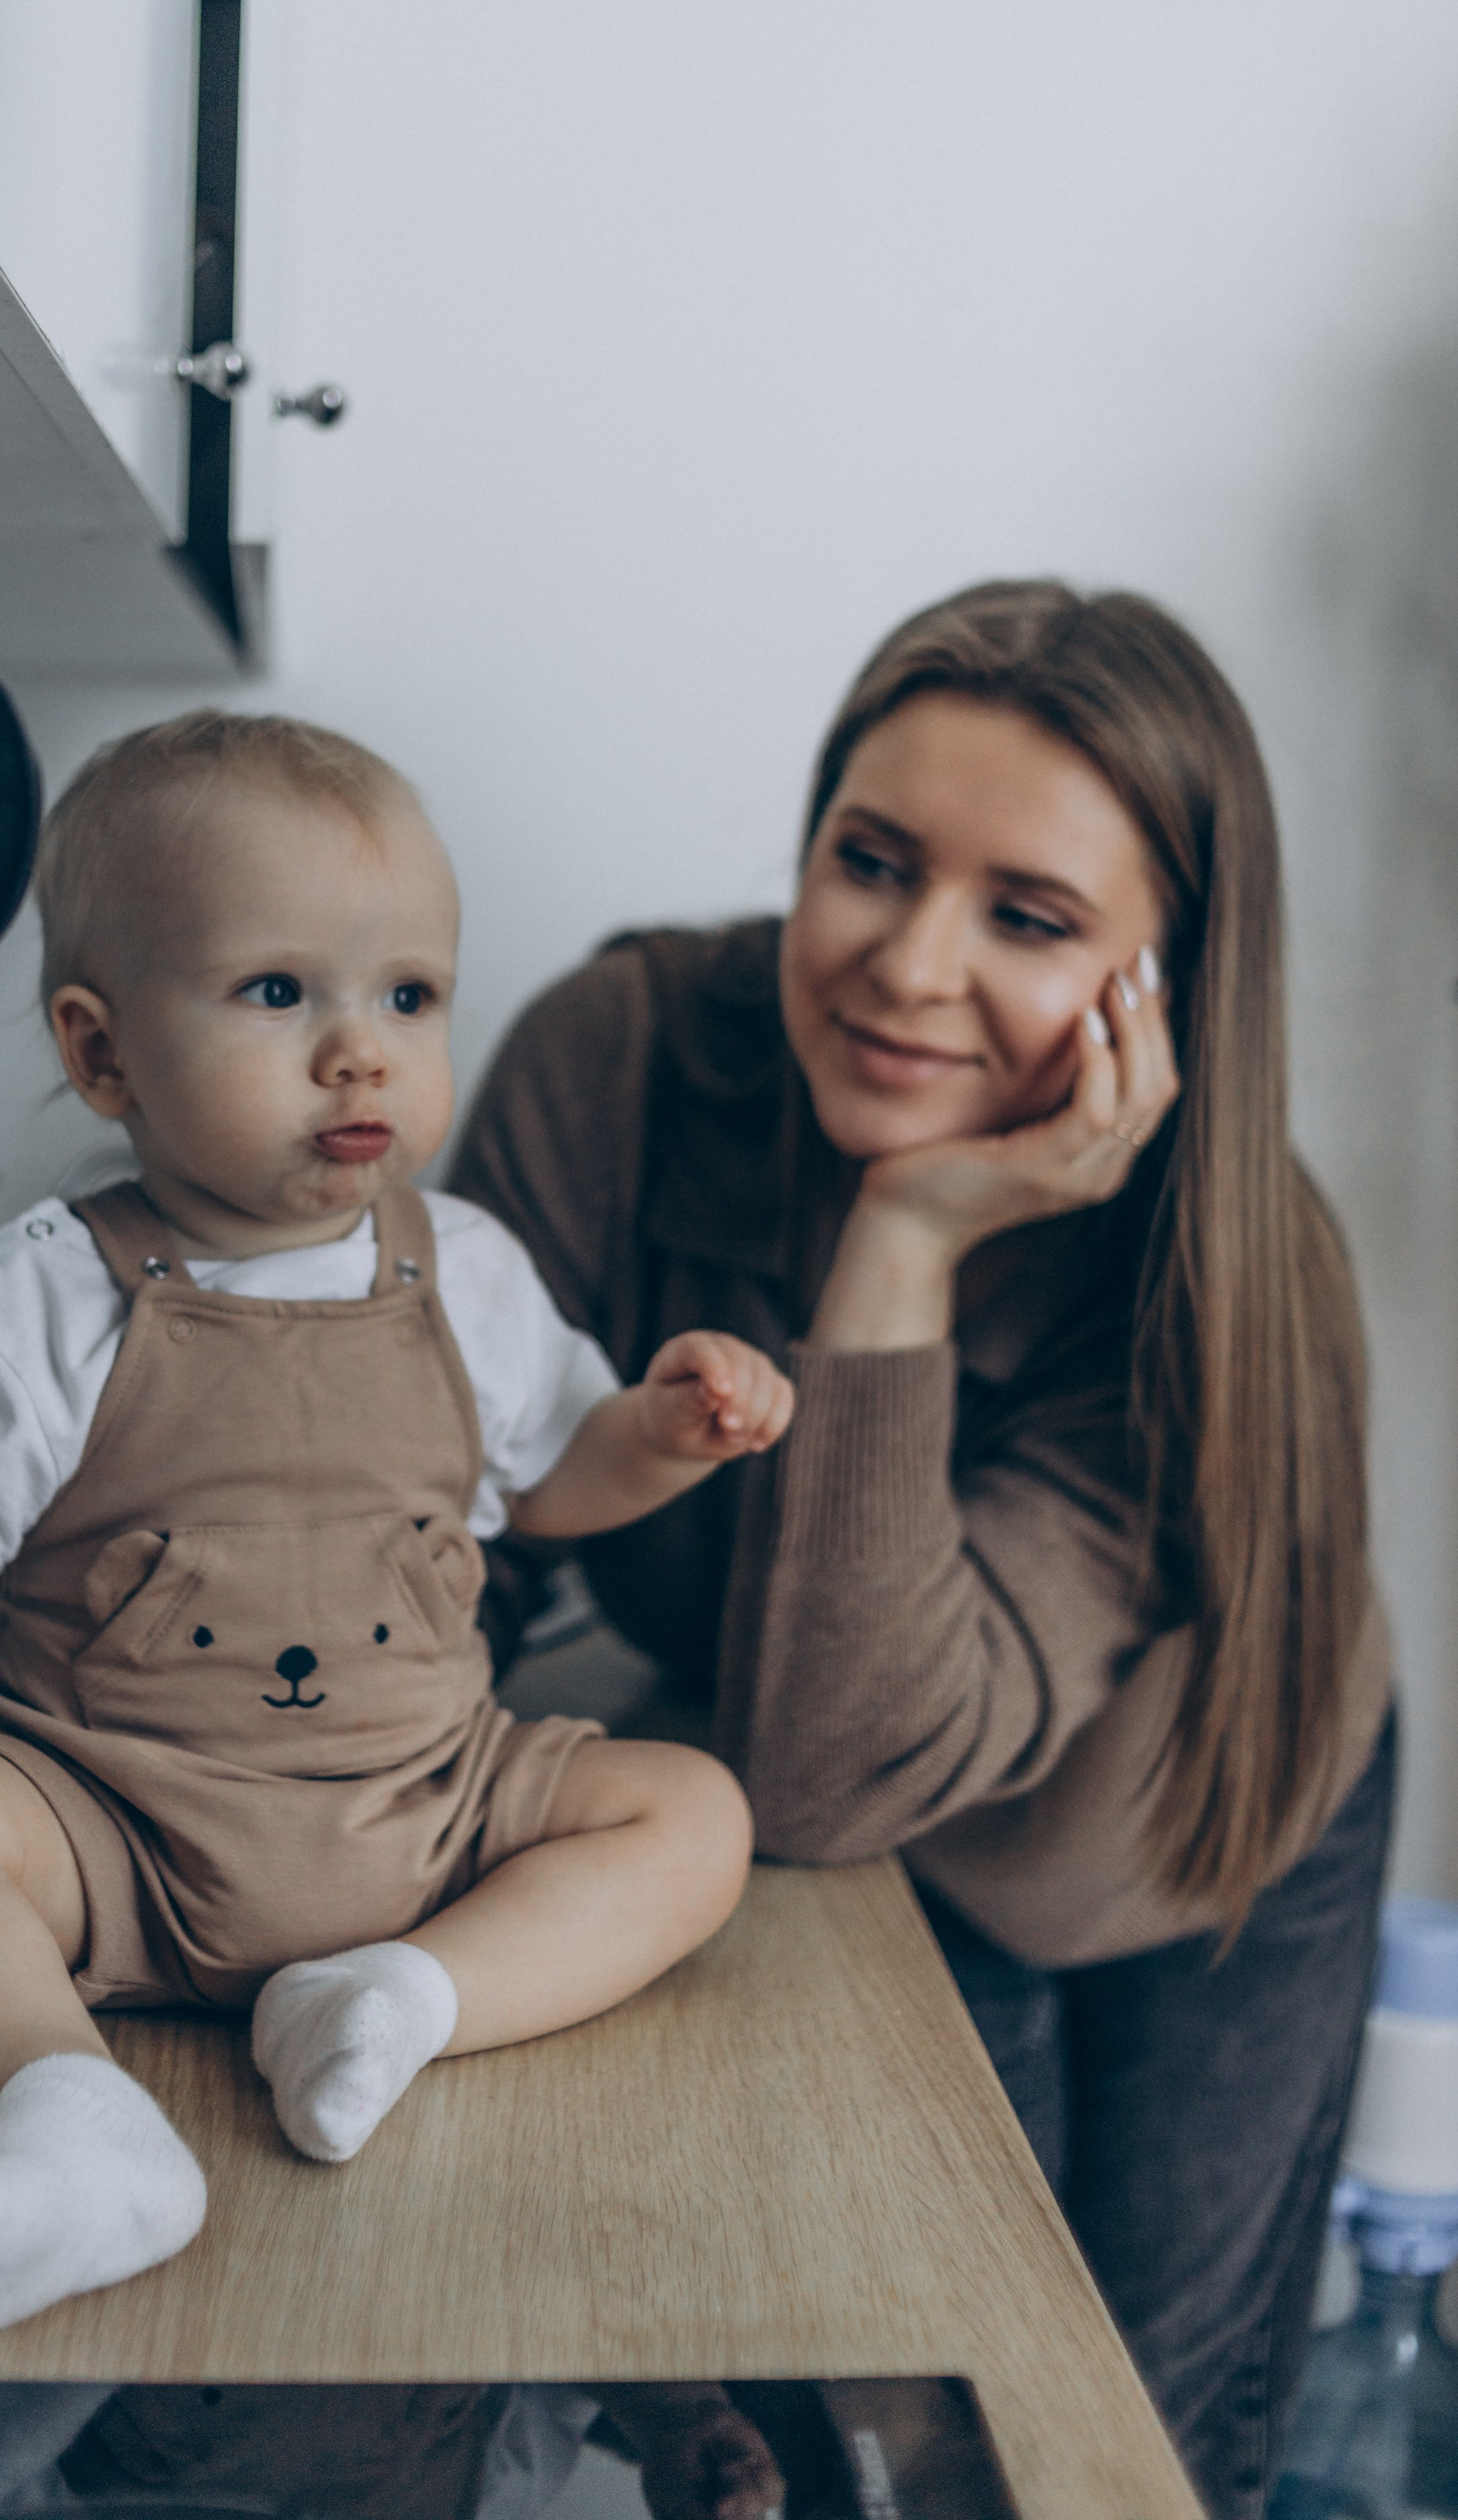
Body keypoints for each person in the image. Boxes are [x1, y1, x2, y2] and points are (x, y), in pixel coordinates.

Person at [452, 581, 1395, 2520]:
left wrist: (902, 1246)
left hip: (1173, 1827)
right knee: (828, 2447)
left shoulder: (1207, 1276)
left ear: (1170, 982)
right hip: (849, 1797)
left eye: (1030, 918)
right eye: (869, 862)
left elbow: (839, 1762)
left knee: (1104, 2451)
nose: (906, 964)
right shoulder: (618, 1064)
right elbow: (438, 1533)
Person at [0, 709, 781, 2352]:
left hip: (430, 1818)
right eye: (278, 992)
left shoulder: (470, 1269)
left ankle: (402, 1999)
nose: (360, 1050)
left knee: (693, 1814)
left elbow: (556, 1477)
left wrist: (655, 1431)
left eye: (406, 995)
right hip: (105, 1821)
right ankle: (63, 2114)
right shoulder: (47, 1292)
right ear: (103, 1052)